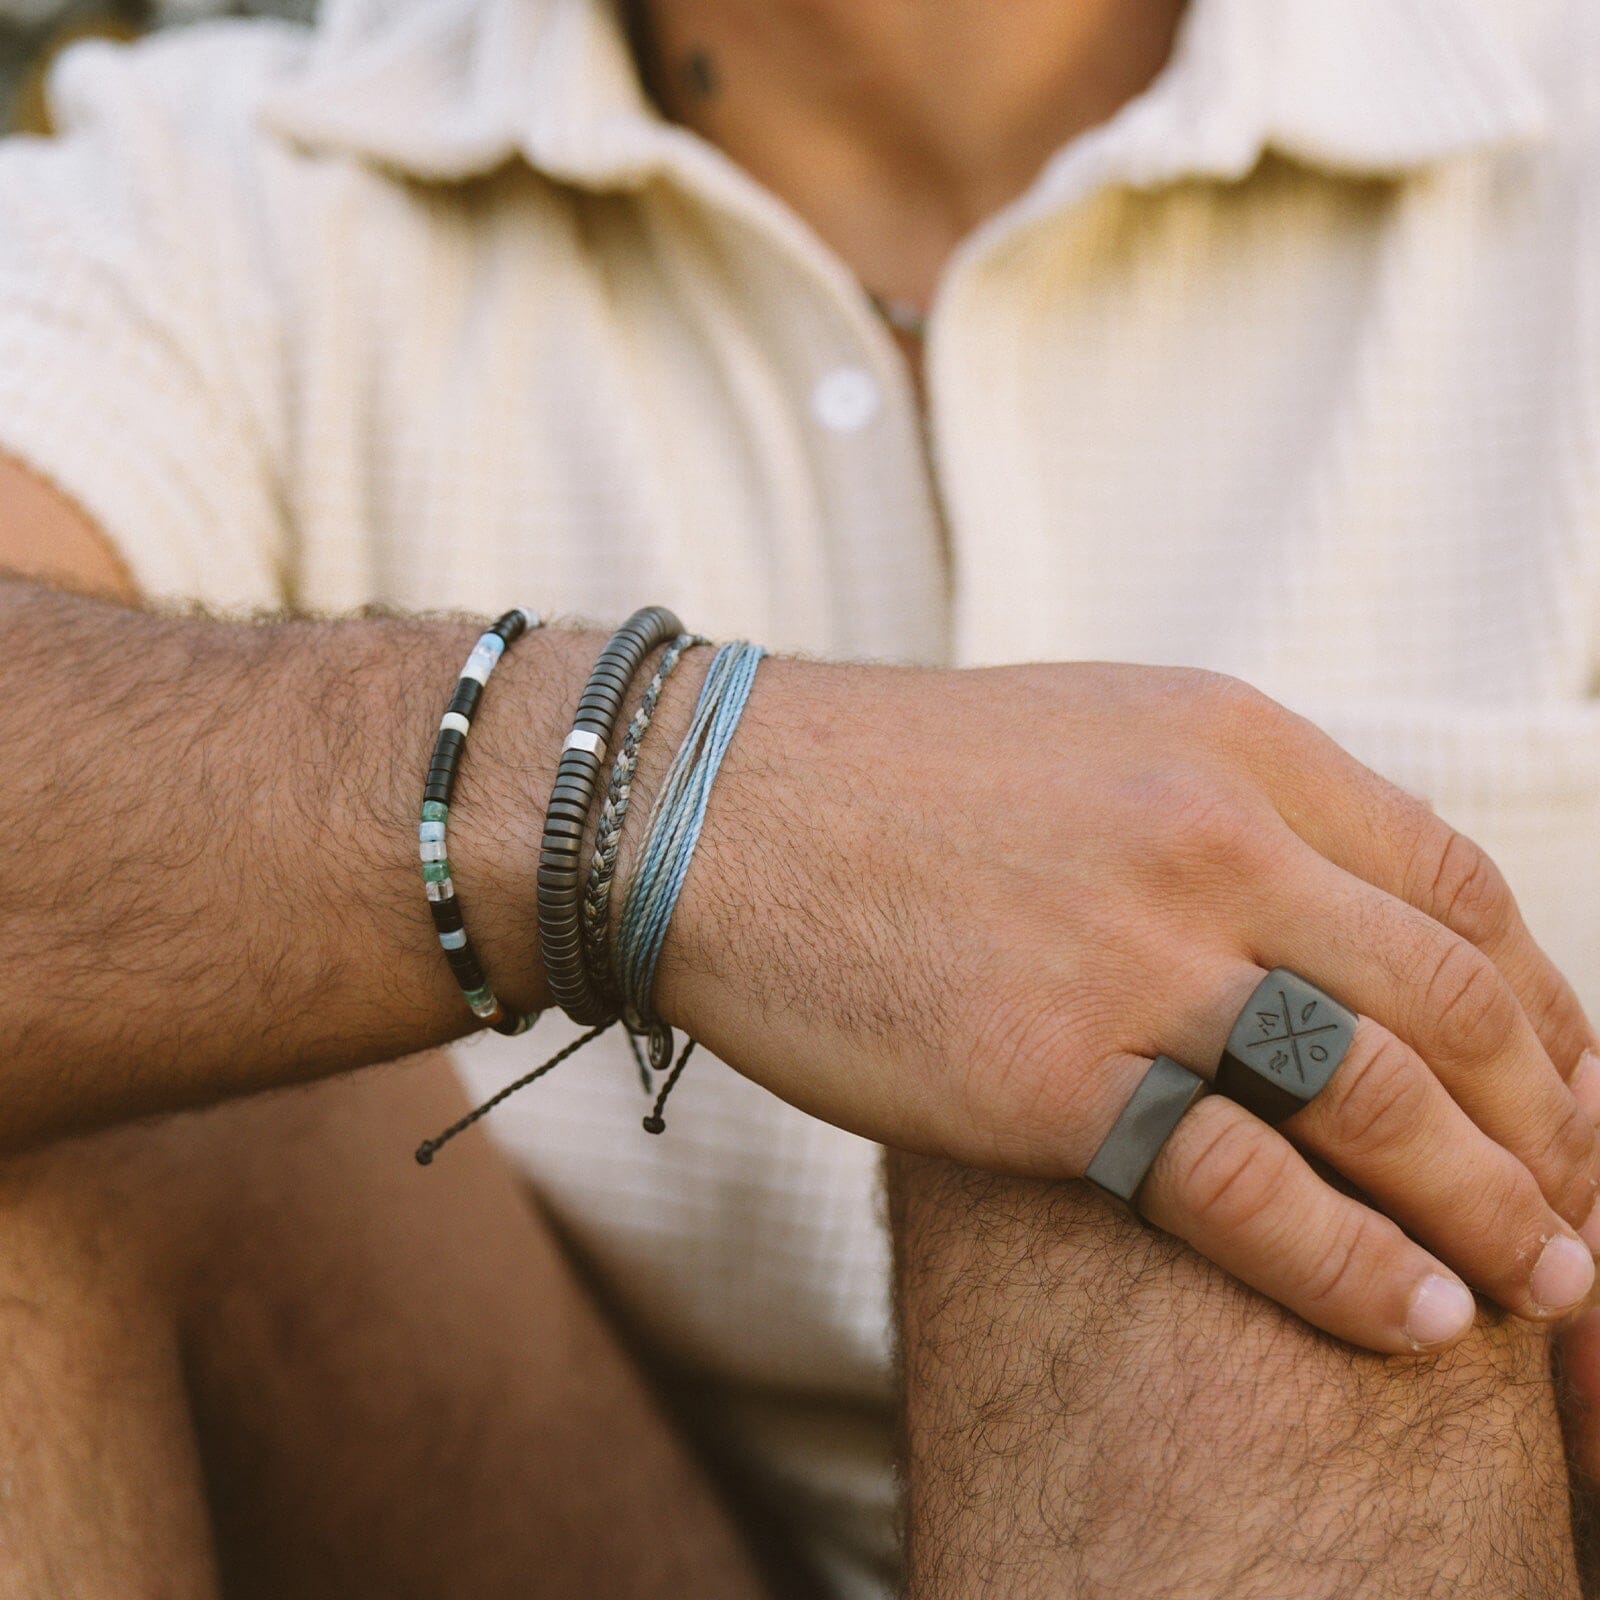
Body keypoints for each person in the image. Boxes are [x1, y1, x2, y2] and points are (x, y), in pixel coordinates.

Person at [0, 0, 1598, 1592]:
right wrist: (679, 784)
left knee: (1223, 1141)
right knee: (83, 1060)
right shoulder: (206, 192)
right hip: (543, 1509)